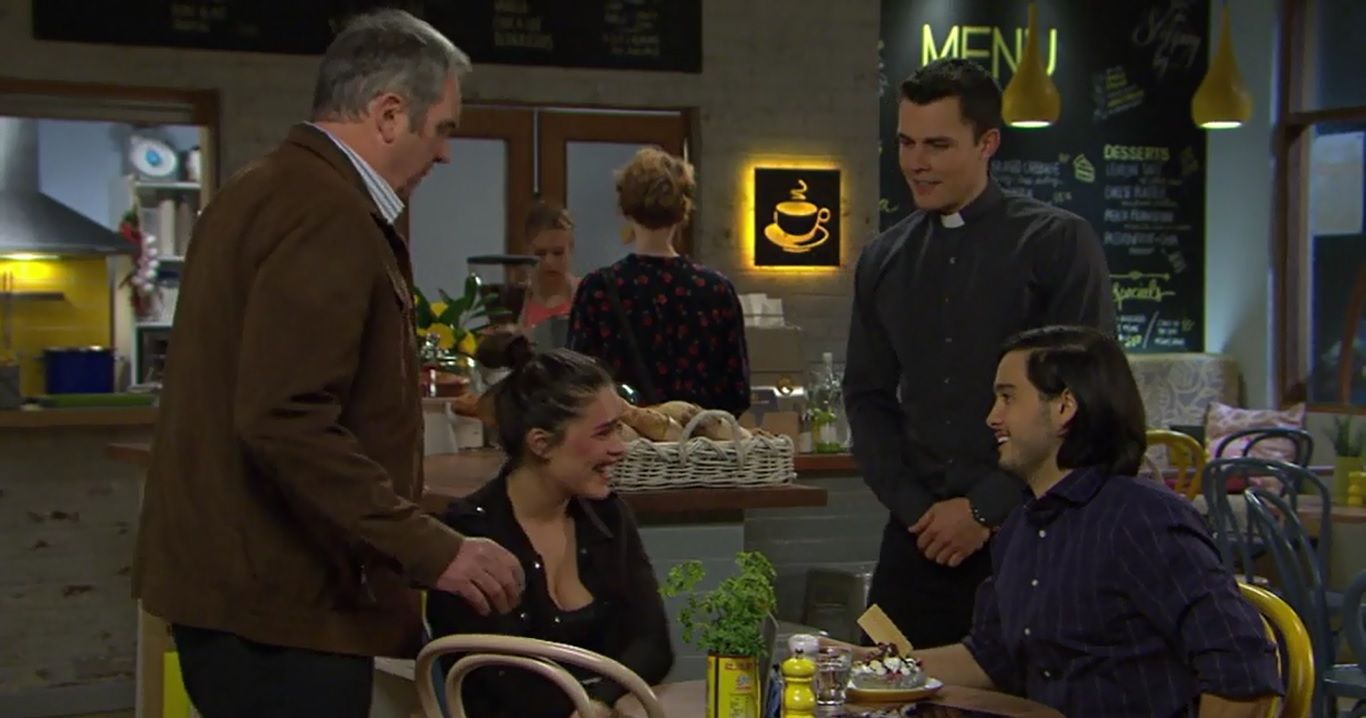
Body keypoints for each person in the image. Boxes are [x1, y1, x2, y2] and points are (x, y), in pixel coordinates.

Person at [132, 11, 524, 718]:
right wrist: (431, 548)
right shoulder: (326, 213)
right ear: (389, 113)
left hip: (245, 601)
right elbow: (286, 420)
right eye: (442, 129)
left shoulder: (261, 189)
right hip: (281, 612)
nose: (445, 155)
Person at [843, 58, 1116, 648]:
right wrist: (917, 510)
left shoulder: (1057, 243)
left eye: (938, 145)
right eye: (907, 143)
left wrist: (985, 509)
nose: (917, 162)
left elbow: (1087, 397)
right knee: (880, 686)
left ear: (987, 142)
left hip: (1034, 531)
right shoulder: (883, 260)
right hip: (917, 540)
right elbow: (866, 397)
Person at [902, 326, 1279, 717]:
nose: (992, 417)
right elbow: (990, 657)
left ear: (1065, 407)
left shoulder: (1142, 519)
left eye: (1007, 397)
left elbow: (1241, 671)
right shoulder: (1019, 527)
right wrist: (876, 667)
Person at [427, 333, 674, 718]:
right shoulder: (469, 535)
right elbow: (494, 680)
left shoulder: (607, 516)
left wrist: (599, 703)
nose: (621, 447)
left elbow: (652, 643)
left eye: (619, 429)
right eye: (603, 432)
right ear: (541, 444)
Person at [567, 147, 750, 416]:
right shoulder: (716, 290)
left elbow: (578, 386)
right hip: (702, 438)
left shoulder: (599, 289)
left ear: (625, 209)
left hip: (624, 437)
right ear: (683, 211)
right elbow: (737, 392)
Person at [519, 200, 580, 331]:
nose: (549, 261)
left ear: (571, 250)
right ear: (527, 252)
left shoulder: (587, 296)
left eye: (558, 253)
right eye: (540, 253)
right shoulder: (516, 301)